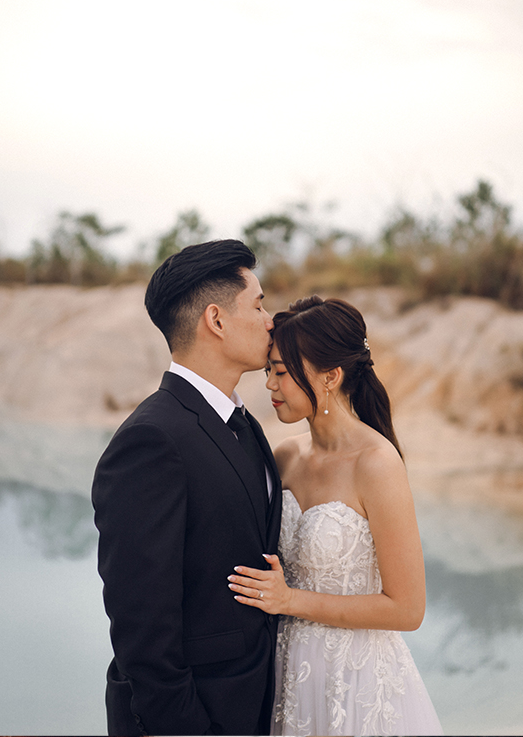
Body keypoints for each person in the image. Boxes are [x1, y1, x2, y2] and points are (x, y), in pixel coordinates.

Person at [91, 239, 282, 736]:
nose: (270, 320)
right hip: (192, 717)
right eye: (259, 305)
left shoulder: (246, 423)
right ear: (216, 320)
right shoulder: (150, 440)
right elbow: (142, 624)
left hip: (256, 704)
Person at [228, 296, 442, 735]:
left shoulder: (377, 464)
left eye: (282, 372)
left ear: (331, 376)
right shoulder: (285, 457)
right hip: (288, 677)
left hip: (358, 683)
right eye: (269, 370)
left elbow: (408, 609)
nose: (269, 384)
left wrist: (290, 601)